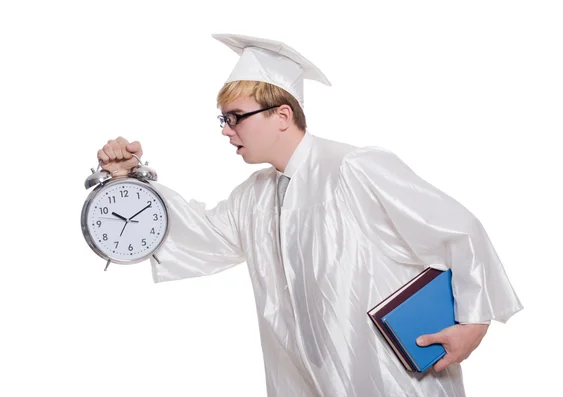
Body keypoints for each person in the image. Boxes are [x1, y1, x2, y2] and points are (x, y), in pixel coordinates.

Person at [96, 33, 523, 397]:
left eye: (236, 118)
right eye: (223, 119)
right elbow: (192, 235)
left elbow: (458, 228)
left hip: (388, 378)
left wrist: (473, 323)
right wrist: (127, 180)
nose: (226, 130)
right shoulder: (255, 197)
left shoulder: (354, 168)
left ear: (282, 115)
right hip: (303, 381)